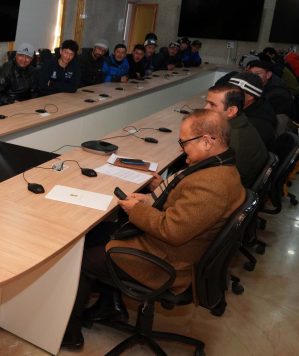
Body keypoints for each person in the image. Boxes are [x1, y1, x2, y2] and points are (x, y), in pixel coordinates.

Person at [62, 109, 245, 349]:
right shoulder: (220, 167)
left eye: (184, 142)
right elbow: (183, 207)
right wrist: (149, 201)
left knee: (83, 259)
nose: (181, 148)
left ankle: (69, 334)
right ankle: (111, 306)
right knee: (99, 232)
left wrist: (136, 210)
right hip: (175, 248)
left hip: (168, 262)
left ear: (207, 141)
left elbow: (172, 230)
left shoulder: (212, 184)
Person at [204, 83, 268, 188]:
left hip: (229, 190)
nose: (205, 108)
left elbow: (218, 182)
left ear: (231, 111)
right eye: (206, 103)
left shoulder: (231, 142)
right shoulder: (240, 122)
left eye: (212, 104)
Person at [229, 72, 277, 149]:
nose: (227, 96)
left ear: (250, 96)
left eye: (233, 93)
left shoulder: (256, 125)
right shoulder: (252, 106)